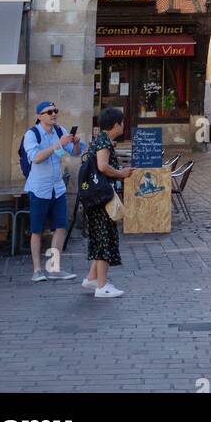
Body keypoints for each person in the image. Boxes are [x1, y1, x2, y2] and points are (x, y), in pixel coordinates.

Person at [21, 101, 86, 283]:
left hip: (57, 188)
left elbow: (74, 153)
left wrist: (76, 144)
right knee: (37, 229)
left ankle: (54, 268)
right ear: (40, 116)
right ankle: (37, 270)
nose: (53, 114)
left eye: (55, 111)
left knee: (61, 227)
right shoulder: (31, 134)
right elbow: (36, 158)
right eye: (48, 112)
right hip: (39, 188)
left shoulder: (60, 130)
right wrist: (58, 145)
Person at [83, 107, 137, 299]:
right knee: (104, 238)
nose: (124, 125)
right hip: (101, 199)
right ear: (116, 124)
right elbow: (102, 166)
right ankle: (102, 285)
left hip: (96, 198)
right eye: (122, 122)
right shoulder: (104, 142)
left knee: (99, 238)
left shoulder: (101, 140)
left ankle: (92, 278)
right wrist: (121, 173)